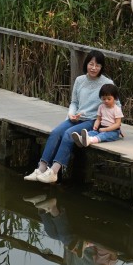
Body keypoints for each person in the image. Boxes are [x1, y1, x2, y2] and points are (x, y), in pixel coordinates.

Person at [24, 50, 113, 184]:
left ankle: (54, 172)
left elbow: (115, 105)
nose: (94, 68)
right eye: (91, 64)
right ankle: (41, 169)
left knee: (68, 134)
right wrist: (71, 114)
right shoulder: (80, 80)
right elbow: (74, 102)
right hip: (77, 118)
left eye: (98, 65)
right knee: (55, 133)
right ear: (86, 64)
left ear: (102, 67)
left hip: (93, 120)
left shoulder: (107, 83)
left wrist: (112, 124)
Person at [71, 83, 124, 147]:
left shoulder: (116, 109)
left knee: (102, 136)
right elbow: (98, 119)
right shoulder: (101, 107)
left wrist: (106, 129)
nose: (106, 101)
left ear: (115, 98)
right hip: (101, 128)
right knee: (92, 132)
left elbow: (117, 124)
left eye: (109, 99)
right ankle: (81, 138)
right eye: (104, 99)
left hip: (113, 131)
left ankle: (89, 140)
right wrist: (96, 125)